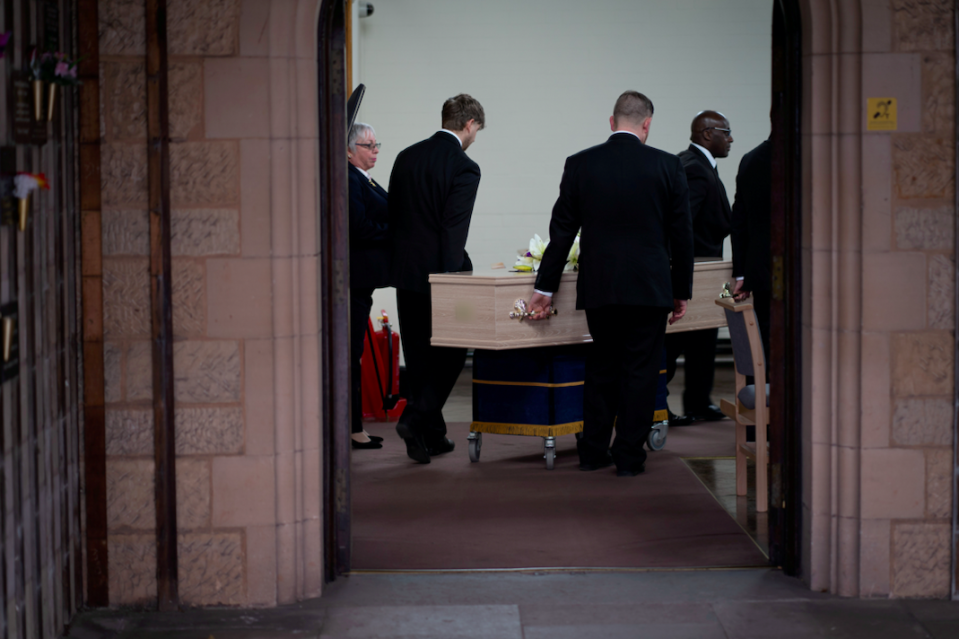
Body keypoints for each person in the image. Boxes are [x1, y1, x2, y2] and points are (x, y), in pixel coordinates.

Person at [527, 90, 694, 477]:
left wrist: (545, 287)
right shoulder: (668, 166)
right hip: (650, 288)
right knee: (640, 370)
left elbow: (562, 231)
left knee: (602, 365)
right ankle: (629, 457)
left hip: (600, 286)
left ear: (612, 121)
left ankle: (592, 451)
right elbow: (682, 235)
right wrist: (680, 290)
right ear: (647, 124)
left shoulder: (581, 164)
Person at [388, 94, 485, 464]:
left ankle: (432, 434)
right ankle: (414, 419)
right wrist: (450, 280)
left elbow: (394, 215)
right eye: (477, 131)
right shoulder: (464, 166)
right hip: (441, 275)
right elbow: (453, 229)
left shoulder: (406, 156)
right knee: (454, 352)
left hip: (404, 272)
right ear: (470, 125)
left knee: (418, 355)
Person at [664, 110, 734, 424]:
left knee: (703, 338)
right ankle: (658, 404)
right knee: (675, 340)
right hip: (695, 267)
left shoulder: (697, 165)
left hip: (703, 267)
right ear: (707, 133)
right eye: (726, 132)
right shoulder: (694, 169)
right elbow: (682, 225)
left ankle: (697, 401)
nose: (731, 139)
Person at [348, 123, 390, 450]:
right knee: (350, 354)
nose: (375, 150)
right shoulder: (349, 179)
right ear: (349, 149)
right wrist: (397, 232)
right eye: (369, 145)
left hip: (363, 280)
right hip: (354, 278)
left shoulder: (363, 178)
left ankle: (352, 426)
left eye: (377, 145)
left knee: (354, 352)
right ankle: (351, 428)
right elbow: (358, 226)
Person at [730, 137, 772, 364]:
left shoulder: (750, 160)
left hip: (762, 271)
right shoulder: (811, 156)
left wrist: (741, 274)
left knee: (766, 336)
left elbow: (739, 222)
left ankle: (765, 396)